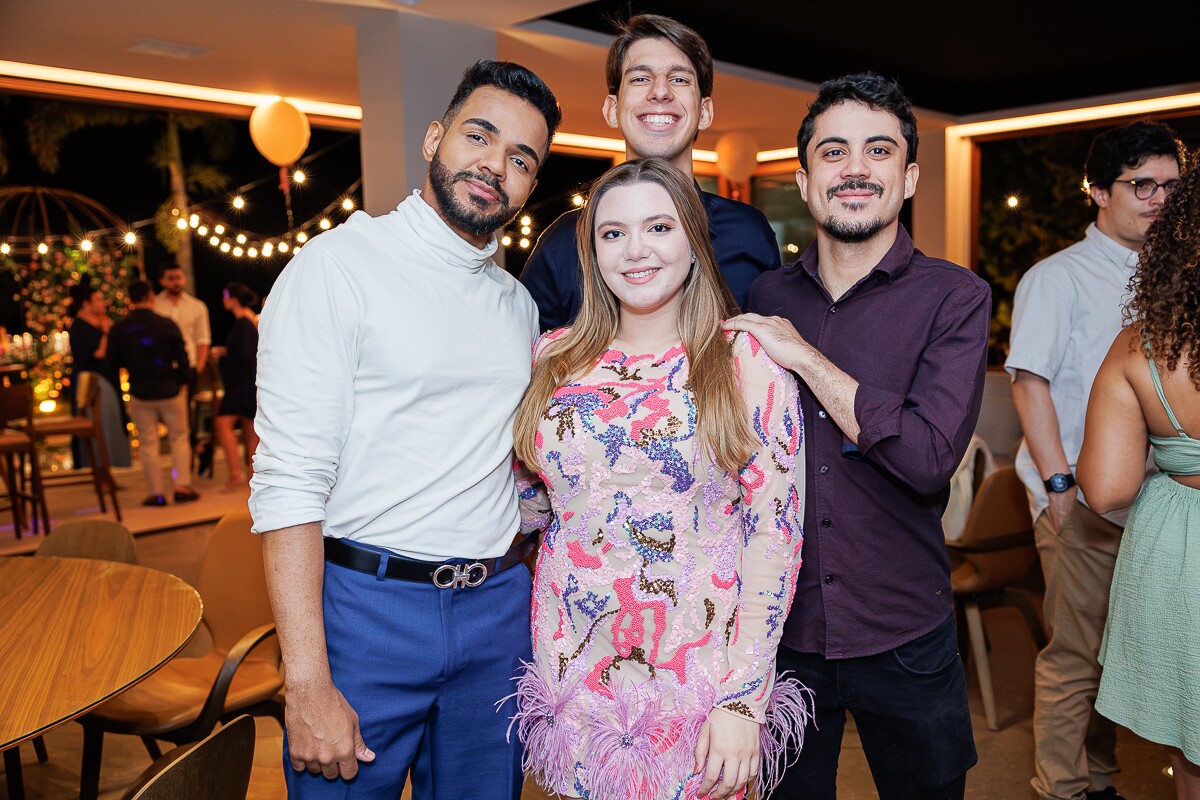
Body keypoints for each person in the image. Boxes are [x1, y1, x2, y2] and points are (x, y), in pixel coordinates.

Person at [248, 60, 561, 799]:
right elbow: (288, 482)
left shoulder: (517, 306)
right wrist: (306, 681)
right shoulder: (336, 270)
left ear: (530, 185)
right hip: (366, 613)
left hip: (495, 612)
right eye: (479, 135)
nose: (496, 164)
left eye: (523, 159)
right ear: (434, 137)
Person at [726, 73, 990, 799]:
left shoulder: (955, 296)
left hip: (903, 628)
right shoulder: (767, 298)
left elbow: (928, 458)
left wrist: (806, 357)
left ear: (906, 179)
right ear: (806, 181)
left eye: (878, 151)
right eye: (833, 152)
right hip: (783, 632)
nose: (855, 168)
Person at [510, 158, 807, 800]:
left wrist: (743, 698)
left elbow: (774, 541)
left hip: (699, 681)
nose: (635, 249)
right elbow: (534, 503)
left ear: (693, 241)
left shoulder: (742, 361)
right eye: (613, 233)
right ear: (592, 250)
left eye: (658, 227)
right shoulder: (553, 359)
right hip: (575, 668)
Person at [1006, 121, 1182, 800]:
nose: (1159, 198)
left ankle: (1101, 779)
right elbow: (1029, 384)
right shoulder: (1057, 278)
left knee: (1121, 657)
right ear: (1098, 191)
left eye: (1171, 185)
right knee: (1076, 657)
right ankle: (1062, 788)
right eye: (1143, 184)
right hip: (1079, 500)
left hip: (1155, 503)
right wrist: (1056, 484)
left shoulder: (1170, 279)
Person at [519, 13, 779, 331]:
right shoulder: (564, 241)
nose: (660, 92)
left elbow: (771, 362)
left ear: (705, 111)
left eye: (679, 79)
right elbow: (532, 368)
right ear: (612, 109)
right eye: (640, 78)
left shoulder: (749, 232)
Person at [1078, 163, 1200, 800]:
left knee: (1194, 751)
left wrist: (1173, 453)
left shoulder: (1140, 346)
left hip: (1183, 556)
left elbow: (1106, 489)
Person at [106, 280, 199, 506]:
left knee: (147, 443)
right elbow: (183, 357)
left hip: (140, 391)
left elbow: (112, 365)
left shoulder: (119, 329)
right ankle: (181, 486)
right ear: (150, 297)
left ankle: (156, 492)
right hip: (170, 389)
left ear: (130, 299)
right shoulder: (166, 323)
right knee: (178, 437)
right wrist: (184, 382)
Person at [66, 285, 131, 468]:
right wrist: (105, 333)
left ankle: (115, 463)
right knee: (96, 423)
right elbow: (98, 353)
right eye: (99, 300)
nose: (104, 303)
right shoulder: (79, 326)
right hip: (90, 382)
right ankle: (95, 464)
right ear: (86, 304)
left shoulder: (104, 322)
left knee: (112, 421)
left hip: (109, 377)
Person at [211, 282, 259, 492]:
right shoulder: (248, 321)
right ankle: (252, 474)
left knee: (224, 423)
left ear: (232, 299)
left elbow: (245, 356)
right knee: (250, 429)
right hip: (250, 382)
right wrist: (225, 352)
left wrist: (224, 357)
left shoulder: (243, 323)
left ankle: (236, 474)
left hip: (242, 383)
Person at [154, 262, 212, 393]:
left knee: (185, 409)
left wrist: (198, 368)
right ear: (161, 281)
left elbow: (203, 339)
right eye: (171, 278)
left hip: (189, 365)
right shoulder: (154, 305)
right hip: (162, 367)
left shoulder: (197, 306)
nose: (176, 282)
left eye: (178, 278)